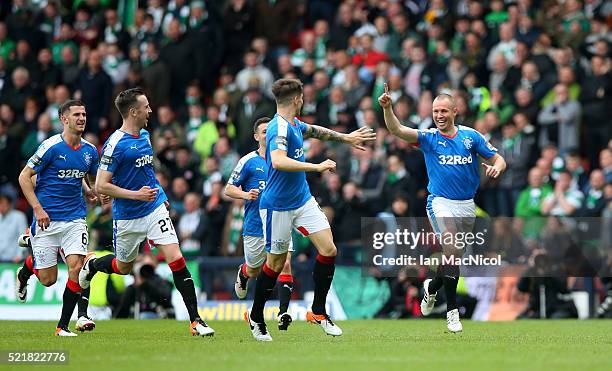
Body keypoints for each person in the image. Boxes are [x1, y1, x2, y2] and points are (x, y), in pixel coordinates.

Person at [244, 78, 376, 341]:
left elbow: (316, 131)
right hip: (277, 206)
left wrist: (346, 138)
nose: (303, 100)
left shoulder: (293, 122)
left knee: (329, 249)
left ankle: (317, 311)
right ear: (296, 99)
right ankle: (256, 316)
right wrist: (316, 167)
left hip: (302, 200)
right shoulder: (278, 128)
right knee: (276, 263)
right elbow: (279, 162)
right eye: (302, 97)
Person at [78, 88, 214, 337]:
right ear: (133, 111)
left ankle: (196, 320)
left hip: (153, 210)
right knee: (123, 267)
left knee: (176, 258)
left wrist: (160, 196)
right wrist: (135, 195)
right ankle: (93, 263)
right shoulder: (115, 144)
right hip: (127, 215)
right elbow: (101, 185)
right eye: (146, 106)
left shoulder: (146, 136)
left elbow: (148, 174)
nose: (150, 110)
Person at [378, 84, 506, 332]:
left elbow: (497, 158)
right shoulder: (429, 138)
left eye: (444, 111)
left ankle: (431, 288)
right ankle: (452, 313)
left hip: (467, 205)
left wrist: (497, 167)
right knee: (452, 247)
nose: (439, 116)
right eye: (436, 111)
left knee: (452, 258)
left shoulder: (471, 137)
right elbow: (396, 129)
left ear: (455, 111)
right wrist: (387, 108)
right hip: (440, 203)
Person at [15, 100, 101, 336]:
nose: (82, 118)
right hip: (46, 220)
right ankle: (25, 271)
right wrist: (38, 208)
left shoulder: (90, 151)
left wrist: (89, 189)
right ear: (64, 119)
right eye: (76, 115)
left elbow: (83, 175)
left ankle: (63, 326)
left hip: (75, 218)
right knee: (48, 280)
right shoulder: (50, 147)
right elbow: (24, 177)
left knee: (76, 268)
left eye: (84, 114)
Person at [224, 116, 295, 331]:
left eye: (270, 131)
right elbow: (229, 188)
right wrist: (246, 195)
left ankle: (283, 313)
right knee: (255, 269)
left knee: (285, 262)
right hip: (255, 224)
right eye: (264, 131)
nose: (267, 134)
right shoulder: (248, 161)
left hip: (280, 219)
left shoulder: (283, 159)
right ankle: (244, 272)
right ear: (256, 136)